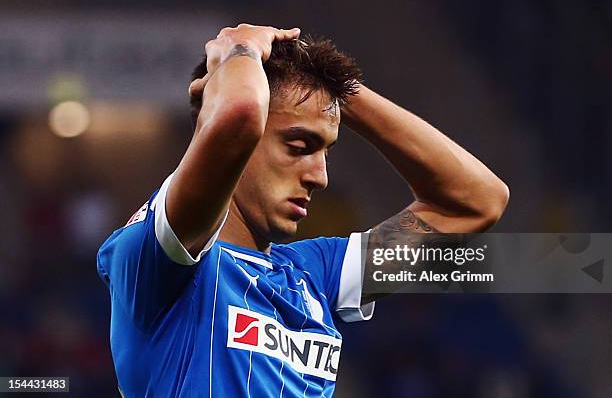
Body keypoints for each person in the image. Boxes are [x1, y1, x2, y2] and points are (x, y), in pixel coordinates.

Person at [97, 24, 509, 397]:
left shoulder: (314, 275)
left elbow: (474, 202)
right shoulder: (157, 264)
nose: (320, 176)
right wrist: (240, 48)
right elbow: (239, 115)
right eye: (298, 147)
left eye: (326, 150)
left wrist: (333, 88)